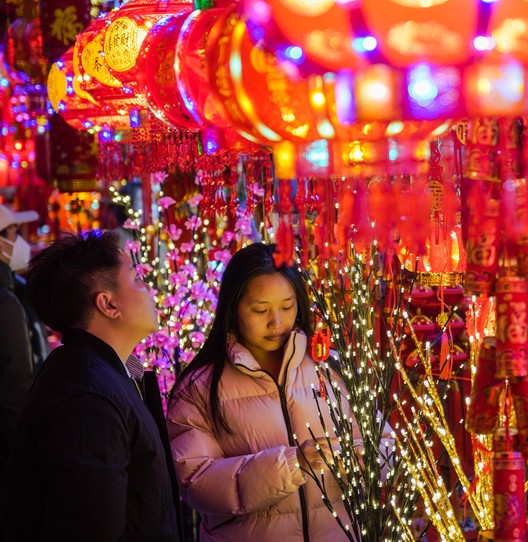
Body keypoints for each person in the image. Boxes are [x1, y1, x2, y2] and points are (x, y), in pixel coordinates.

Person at [0, 231, 182, 542]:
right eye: (137, 280)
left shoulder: (103, 375)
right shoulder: (87, 398)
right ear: (108, 304)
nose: (149, 289)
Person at [167, 243, 355, 542]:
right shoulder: (200, 387)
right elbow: (194, 480)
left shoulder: (328, 366)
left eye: (287, 306)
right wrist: (291, 465)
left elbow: (380, 441)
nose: (276, 322)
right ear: (233, 307)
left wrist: (355, 461)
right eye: (261, 309)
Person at [0, 204, 38, 485]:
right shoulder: (5, 303)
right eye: (13, 235)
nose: (19, 244)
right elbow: (17, 385)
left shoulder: (14, 291)